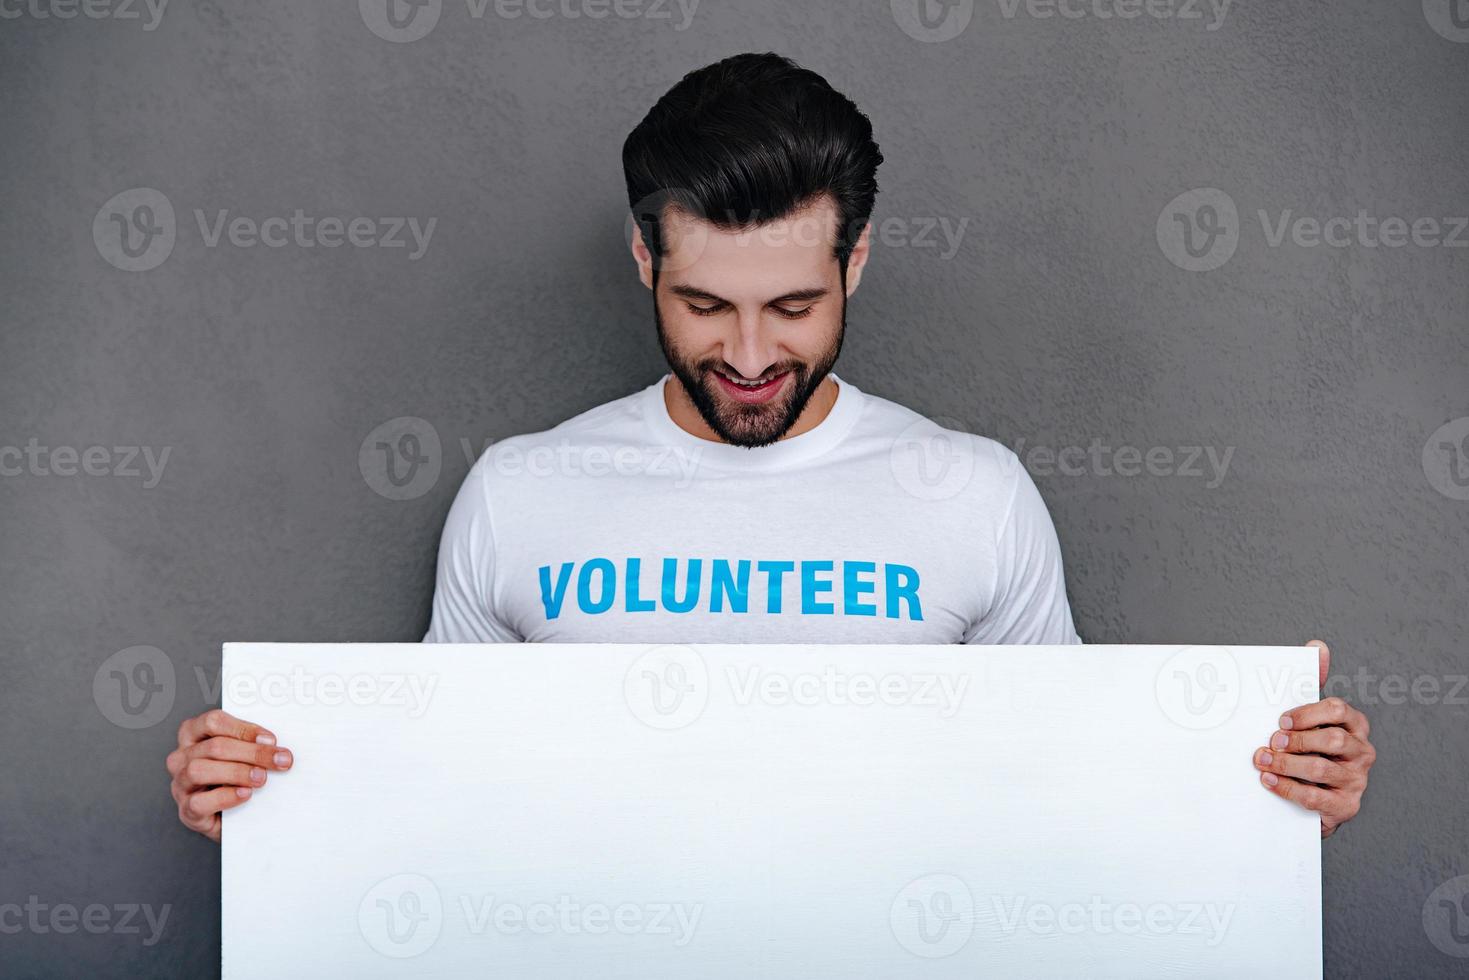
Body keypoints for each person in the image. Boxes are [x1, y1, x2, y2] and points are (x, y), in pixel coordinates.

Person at [167, 52, 1373, 843]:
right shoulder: (520, 493)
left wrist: (1262, 793)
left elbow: (1068, 799)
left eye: (792, 307)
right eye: (703, 305)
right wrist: (269, 796)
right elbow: (424, 797)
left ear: (855, 261)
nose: (747, 353)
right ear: (645, 261)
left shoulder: (972, 494)